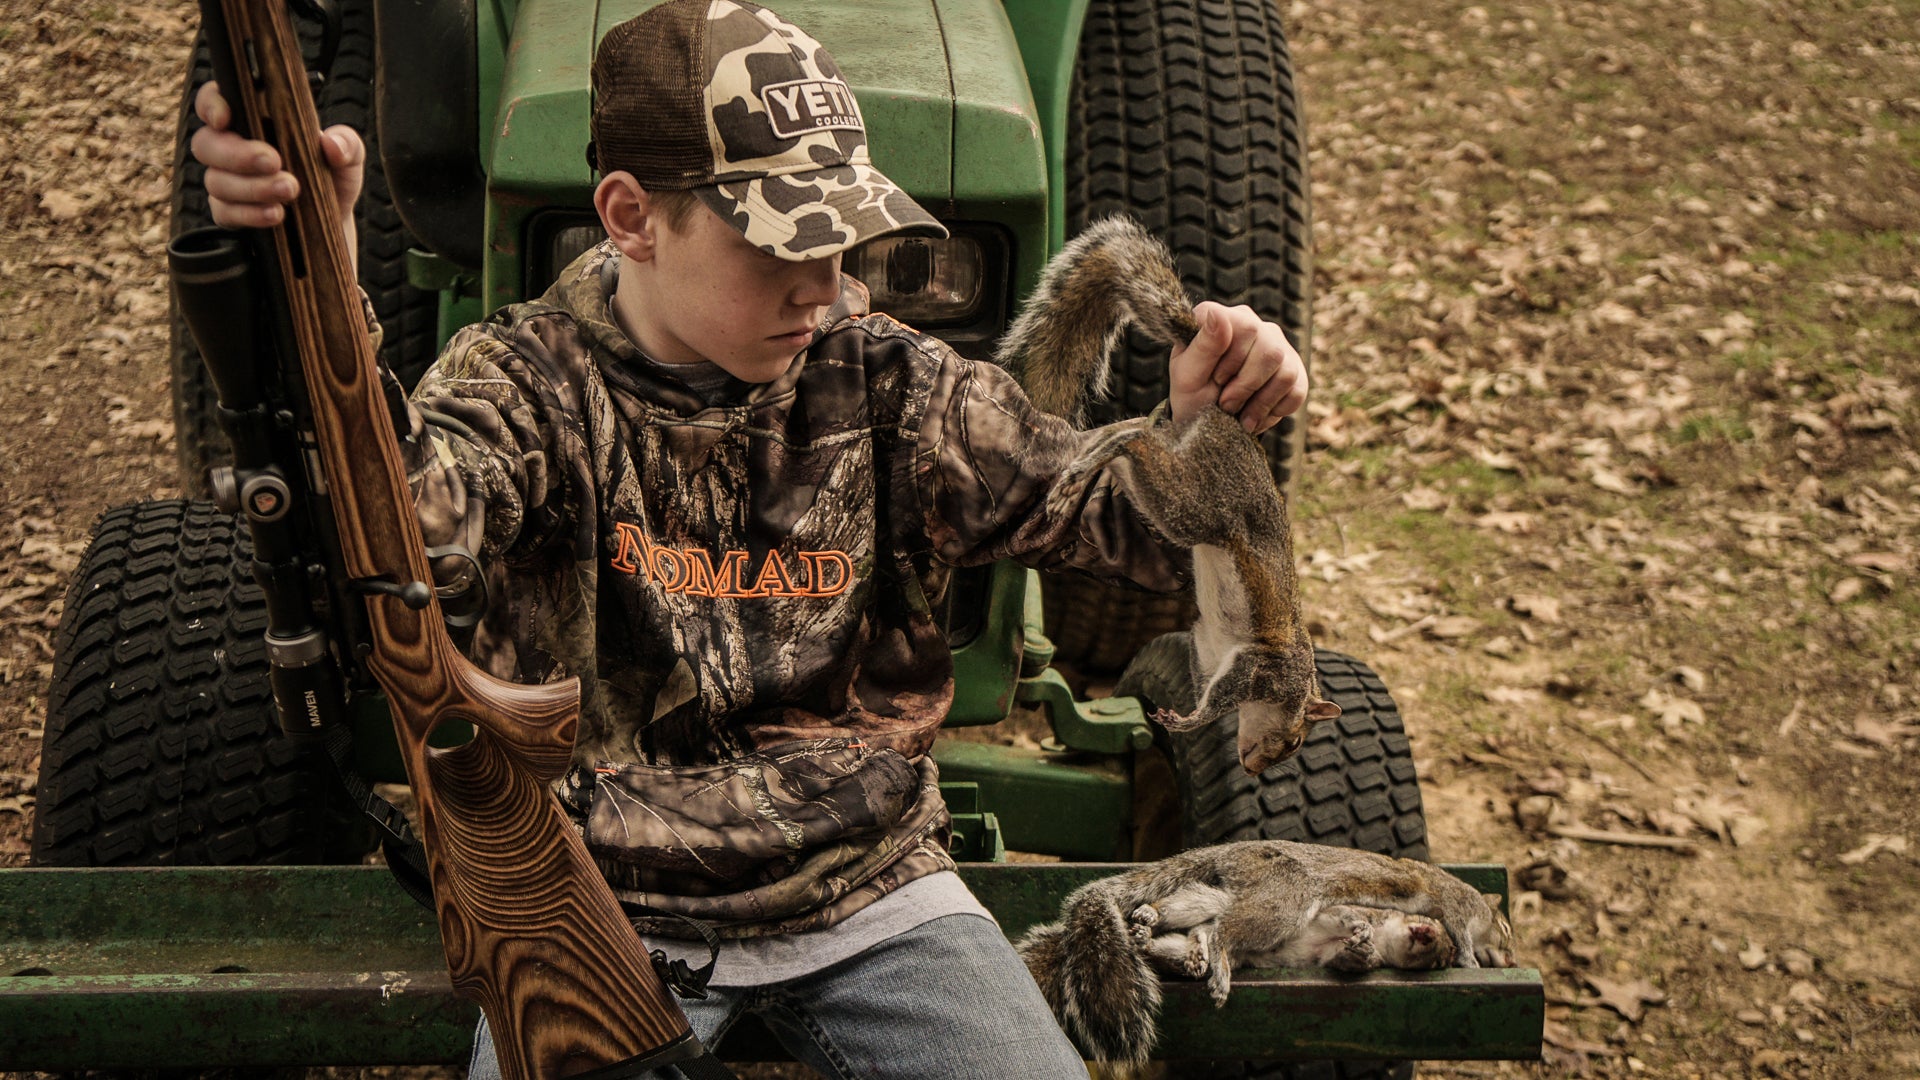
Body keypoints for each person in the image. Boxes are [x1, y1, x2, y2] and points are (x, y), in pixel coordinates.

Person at [192, 1, 1308, 1076]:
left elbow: (1108, 510)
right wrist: (327, 277)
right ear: (630, 216)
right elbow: (402, 534)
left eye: (840, 238)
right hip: (603, 906)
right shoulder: (523, 383)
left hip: (875, 894)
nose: (825, 287)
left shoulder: (885, 378)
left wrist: (1202, 425)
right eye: (782, 243)